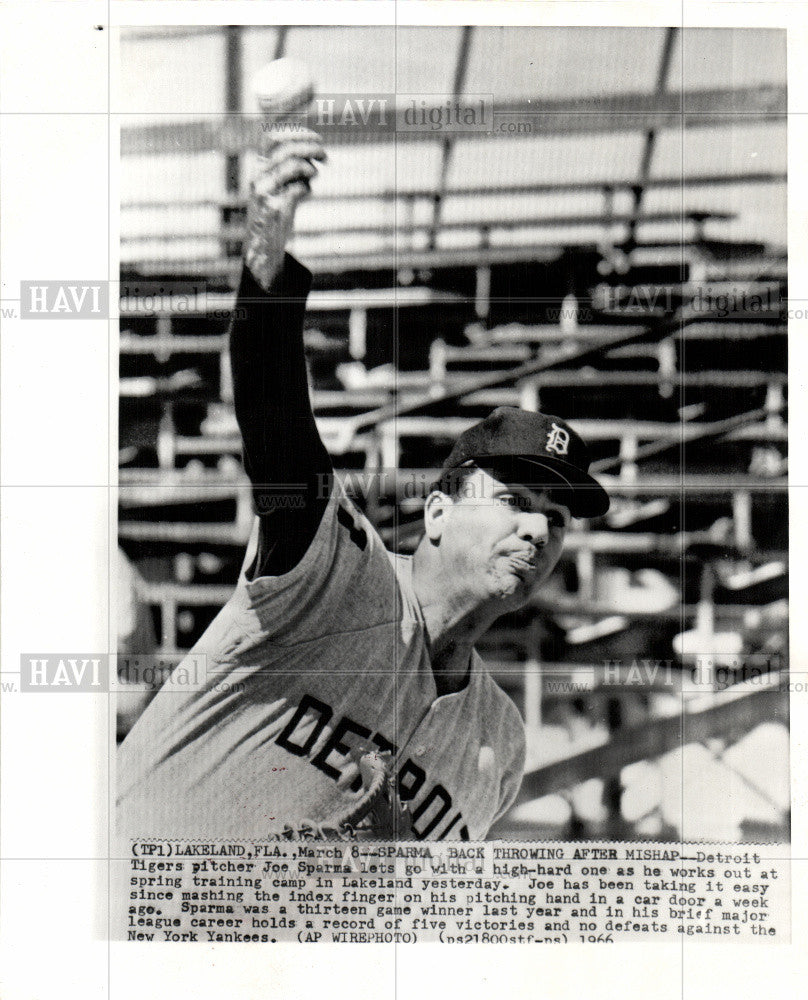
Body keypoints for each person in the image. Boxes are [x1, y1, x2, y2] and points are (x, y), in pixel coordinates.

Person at [116, 129, 610, 842]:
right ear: (437, 512)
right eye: (514, 501)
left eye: (556, 518)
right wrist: (266, 260)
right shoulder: (339, 573)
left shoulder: (497, 746)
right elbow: (274, 417)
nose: (538, 530)